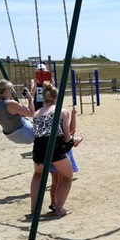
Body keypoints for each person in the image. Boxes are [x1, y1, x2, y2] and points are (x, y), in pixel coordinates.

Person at [30, 81, 73, 216]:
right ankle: (59, 208)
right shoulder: (62, 111)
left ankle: (34, 207)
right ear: (56, 97)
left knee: (38, 175)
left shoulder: (37, 113)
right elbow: (66, 135)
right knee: (67, 177)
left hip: (38, 145)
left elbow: (36, 132)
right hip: (55, 144)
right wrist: (72, 141)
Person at [0, 79, 35, 144]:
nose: (11, 91)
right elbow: (31, 113)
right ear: (6, 90)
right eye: (10, 89)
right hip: (26, 134)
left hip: (11, 136)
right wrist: (30, 98)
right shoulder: (11, 104)